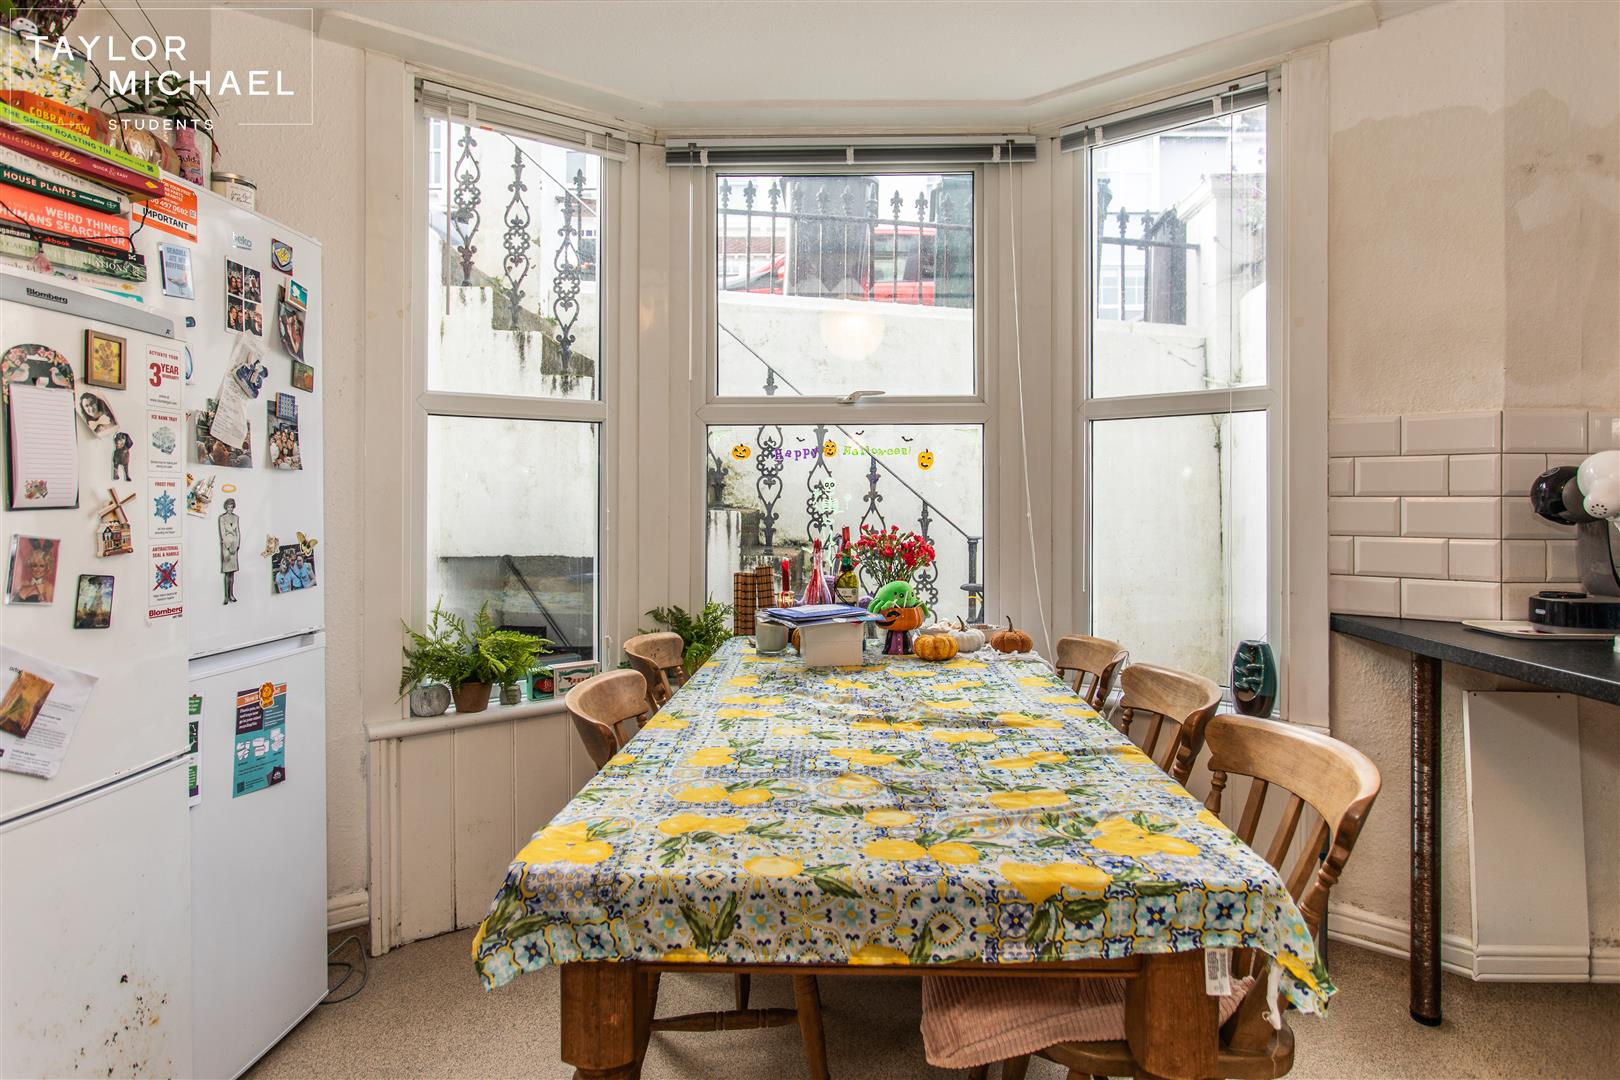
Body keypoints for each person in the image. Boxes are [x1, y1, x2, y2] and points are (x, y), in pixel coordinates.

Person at [218, 498, 240, 603]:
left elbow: (238, 532)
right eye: (228, 507)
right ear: (226, 507)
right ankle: (226, 596)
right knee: (227, 573)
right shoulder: (222, 518)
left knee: (233, 574)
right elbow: (223, 534)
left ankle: (232, 594)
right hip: (227, 548)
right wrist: (228, 547)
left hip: (234, 547)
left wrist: (236, 545)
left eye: (232, 507)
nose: (230, 509)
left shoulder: (236, 518)